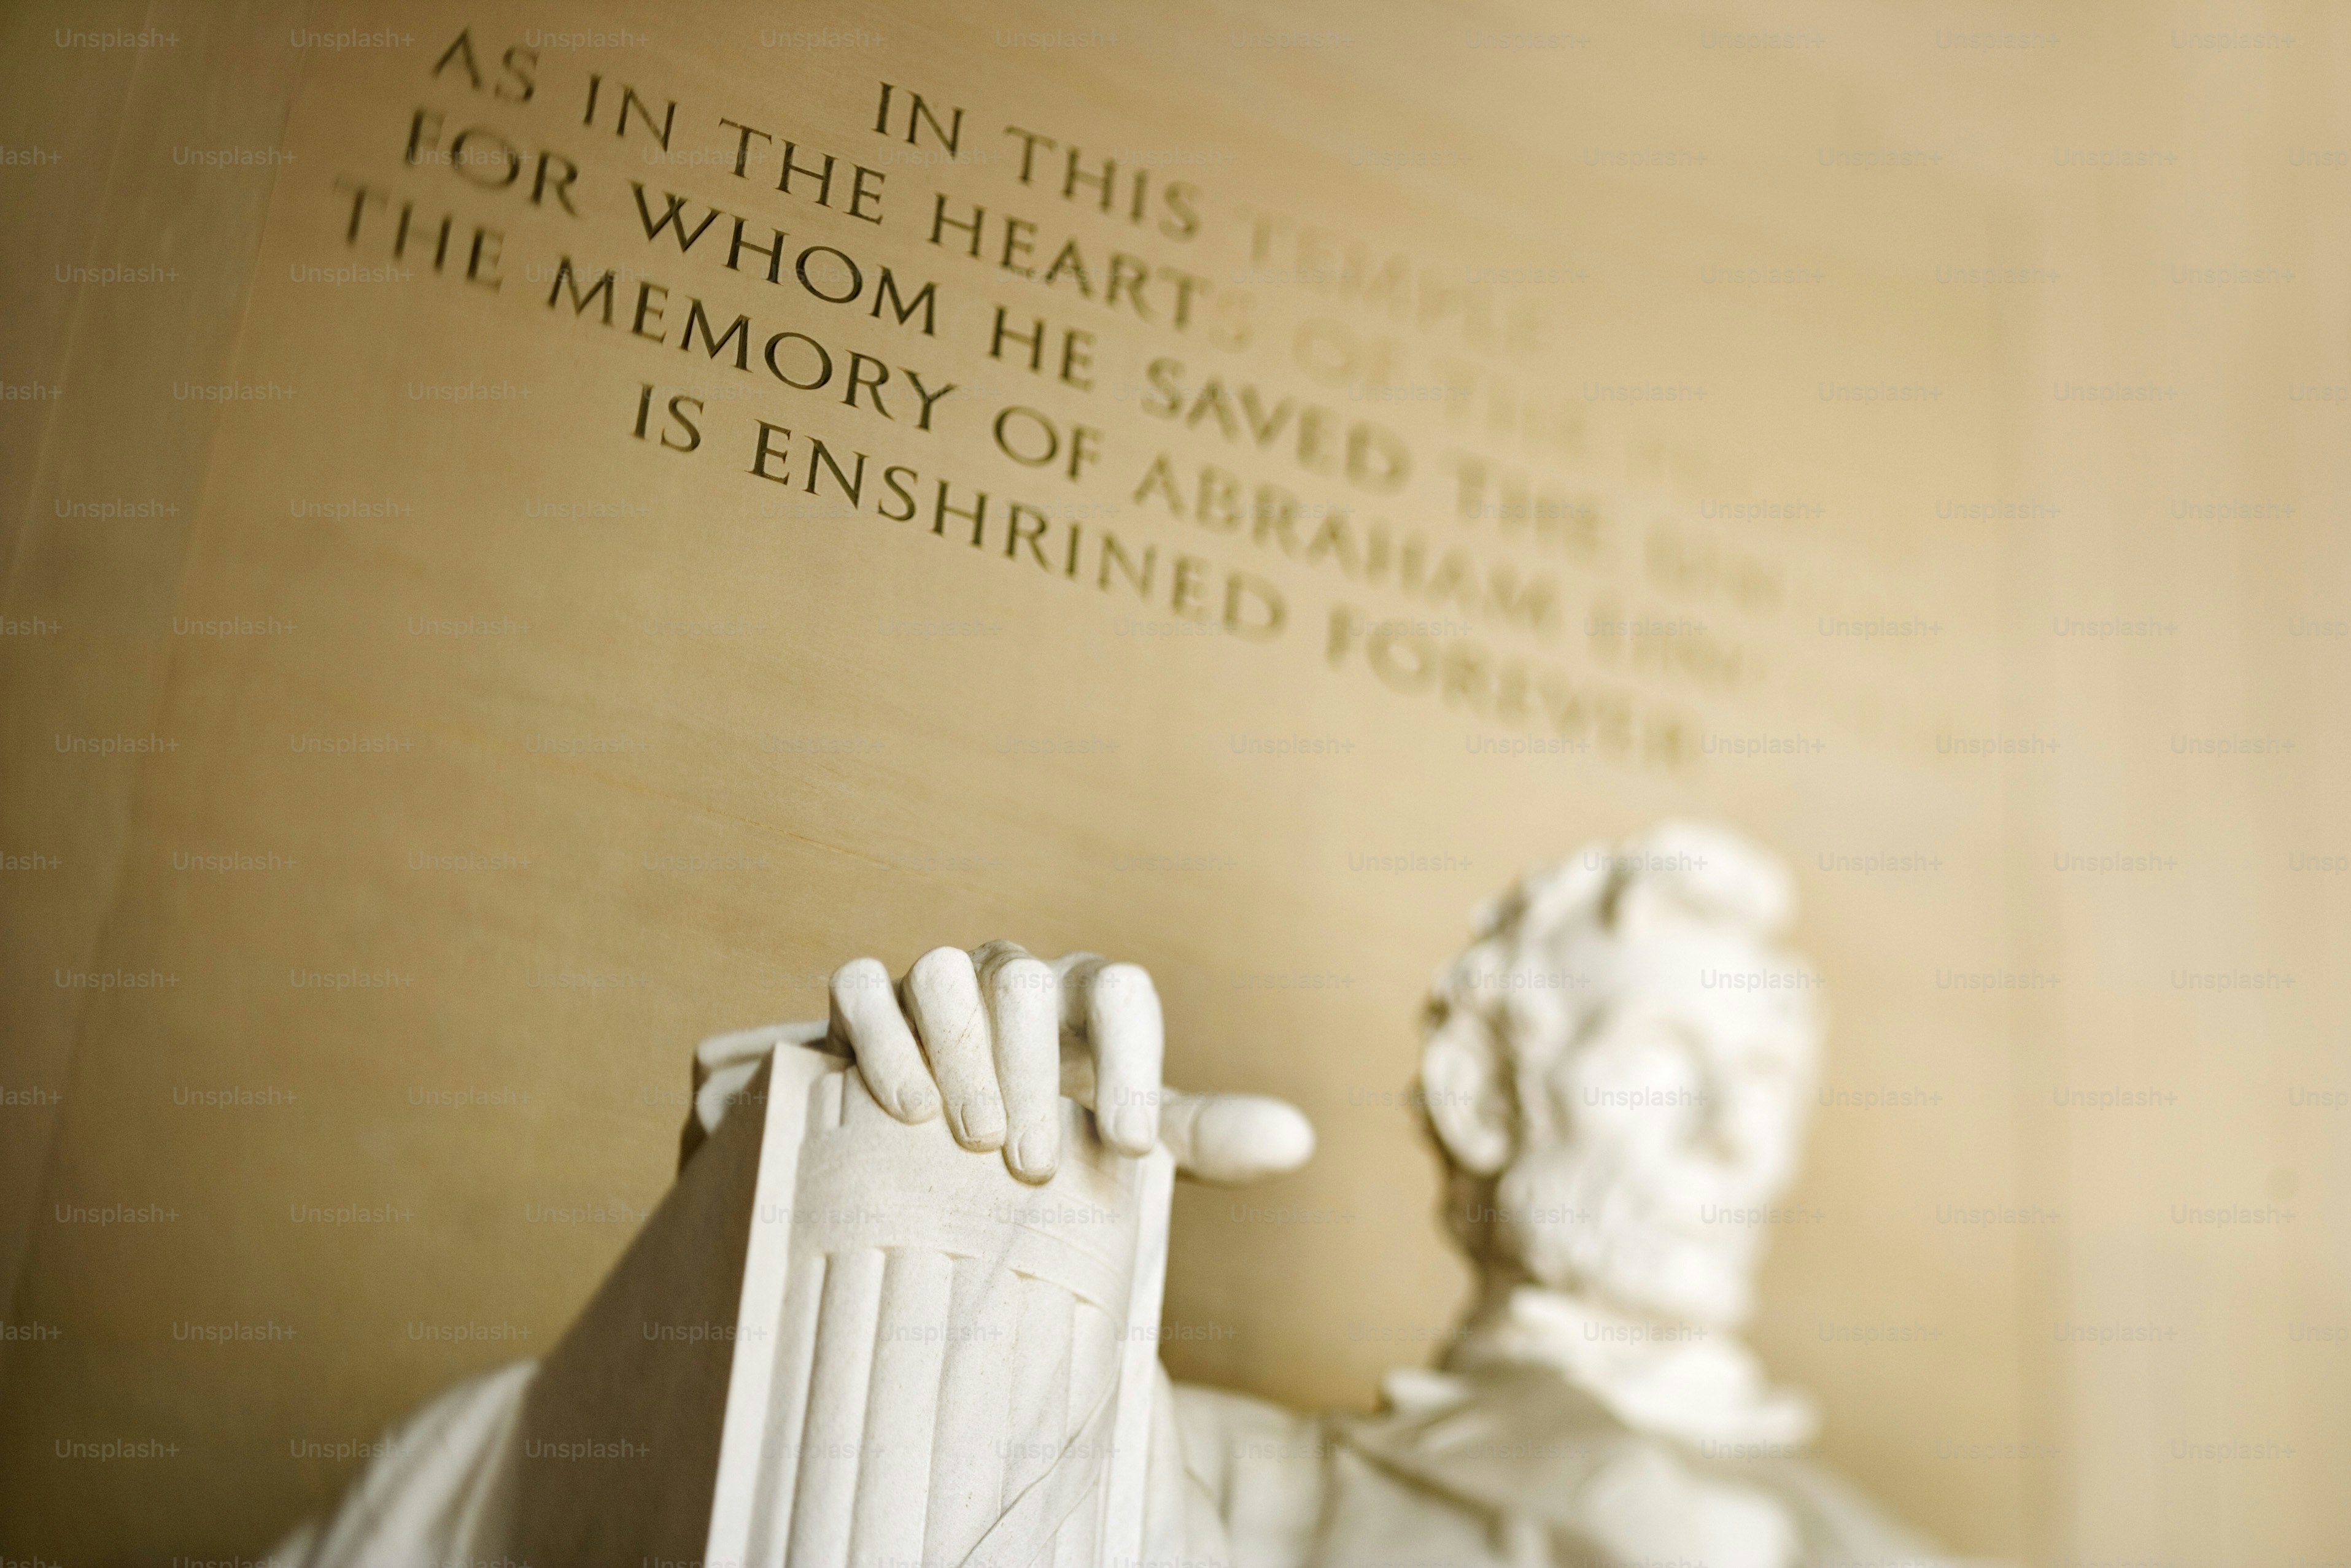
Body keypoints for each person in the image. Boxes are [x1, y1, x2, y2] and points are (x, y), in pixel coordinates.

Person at [272, 822, 1953, 1568]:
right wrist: (814, 1245)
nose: (1745, 1144)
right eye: (1672, 1059)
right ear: (1481, 1088)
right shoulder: (1182, 1487)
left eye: (1776, 1078)